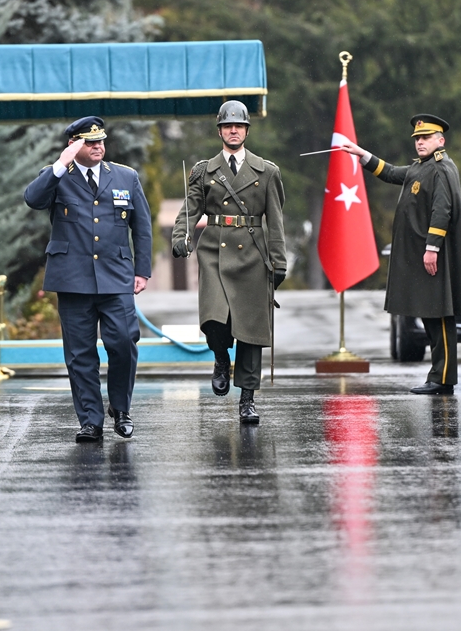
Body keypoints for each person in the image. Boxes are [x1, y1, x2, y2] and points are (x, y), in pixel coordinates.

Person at [24, 117, 152, 442]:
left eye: (100, 141)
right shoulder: (56, 177)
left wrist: (142, 270)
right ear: (74, 145)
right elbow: (32, 199)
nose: (98, 147)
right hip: (72, 279)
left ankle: (120, 409)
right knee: (80, 354)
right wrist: (59, 165)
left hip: (116, 277)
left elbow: (142, 227)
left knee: (124, 341)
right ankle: (91, 420)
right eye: (89, 142)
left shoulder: (125, 176)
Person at [338, 114, 461, 395]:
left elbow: (442, 210)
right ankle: (439, 375)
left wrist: (432, 248)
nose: (420, 142)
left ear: (441, 140)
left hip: (433, 255)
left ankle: (443, 377)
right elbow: (390, 172)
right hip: (423, 255)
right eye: (417, 139)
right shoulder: (421, 168)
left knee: (440, 316)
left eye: (425, 138)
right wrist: (362, 154)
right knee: (431, 315)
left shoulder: (440, 168)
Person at [171, 100, 286, 424]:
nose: (233, 130)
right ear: (220, 130)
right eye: (227, 125)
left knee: (250, 331)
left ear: (246, 130)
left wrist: (278, 261)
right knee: (214, 319)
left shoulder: (267, 171)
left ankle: (247, 400)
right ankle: (221, 357)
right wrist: (181, 238)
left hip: (253, 253)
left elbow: (275, 221)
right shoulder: (203, 170)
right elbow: (190, 210)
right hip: (214, 252)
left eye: (239, 125)